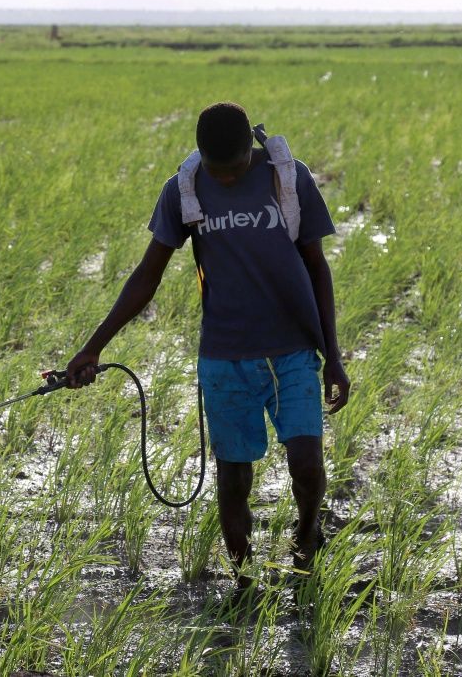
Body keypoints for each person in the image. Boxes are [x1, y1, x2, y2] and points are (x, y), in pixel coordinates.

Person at [65, 101, 350, 598]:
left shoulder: (288, 178)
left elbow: (317, 267)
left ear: (251, 152)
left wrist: (334, 355)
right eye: (214, 170)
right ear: (199, 155)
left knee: (307, 464)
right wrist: (92, 348)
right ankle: (244, 580)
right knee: (233, 477)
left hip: (293, 350)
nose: (223, 178)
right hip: (225, 357)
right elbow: (147, 276)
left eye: (234, 169)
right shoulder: (185, 189)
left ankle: (306, 534)